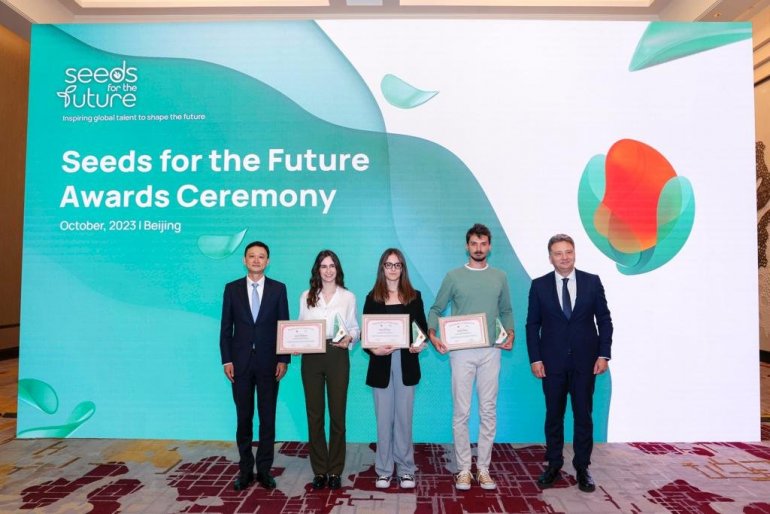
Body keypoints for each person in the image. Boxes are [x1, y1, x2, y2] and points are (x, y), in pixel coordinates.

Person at [428, 223, 514, 491]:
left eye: (483, 243)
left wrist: (510, 332)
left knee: (488, 410)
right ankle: (464, 469)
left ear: (489, 246)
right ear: (467, 246)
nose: (478, 248)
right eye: (474, 244)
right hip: (461, 353)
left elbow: (506, 310)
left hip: (491, 351)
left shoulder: (500, 276)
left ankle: (484, 469)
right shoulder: (453, 276)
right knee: (461, 411)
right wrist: (432, 334)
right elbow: (436, 309)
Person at [525, 234, 613, 493]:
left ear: (574, 253)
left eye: (568, 252)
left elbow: (604, 320)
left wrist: (604, 354)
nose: (564, 257)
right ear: (550, 257)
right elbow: (532, 324)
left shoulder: (592, 282)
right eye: (558, 253)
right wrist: (536, 358)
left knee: (583, 416)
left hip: (586, 362)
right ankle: (554, 464)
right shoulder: (539, 285)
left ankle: (583, 467)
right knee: (554, 415)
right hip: (551, 364)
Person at [220, 241, 290, 491]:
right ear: (244, 260)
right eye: (252, 256)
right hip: (239, 364)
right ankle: (245, 470)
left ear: (268, 261)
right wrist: (227, 359)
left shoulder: (278, 289)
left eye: (261, 256)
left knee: (268, 418)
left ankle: (264, 470)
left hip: (269, 363)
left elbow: (284, 325)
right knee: (244, 418)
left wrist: (283, 359)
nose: (257, 260)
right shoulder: (232, 289)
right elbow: (226, 328)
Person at [363, 248, 428, 490]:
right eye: (389, 264)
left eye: (397, 265)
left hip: (406, 363)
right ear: (382, 268)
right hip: (381, 364)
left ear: (403, 269)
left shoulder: (414, 296)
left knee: (403, 419)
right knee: (383, 420)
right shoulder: (372, 297)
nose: (393, 269)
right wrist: (374, 349)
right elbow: (366, 336)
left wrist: (419, 343)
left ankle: (406, 469)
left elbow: (421, 330)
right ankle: (383, 470)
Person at [298, 250, 360, 490]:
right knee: (314, 415)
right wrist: (294, 343)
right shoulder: (306, 296)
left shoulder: (348, 297)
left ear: (338, 269)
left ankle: (335, 470)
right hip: (311, 357)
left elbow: (354, 328)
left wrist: (350, 338)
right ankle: (320, 471)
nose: (328, 270)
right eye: (323, 266)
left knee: (337, 415)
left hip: (337, 354)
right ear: (317, 270)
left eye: (332, 265)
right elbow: (300, 326)